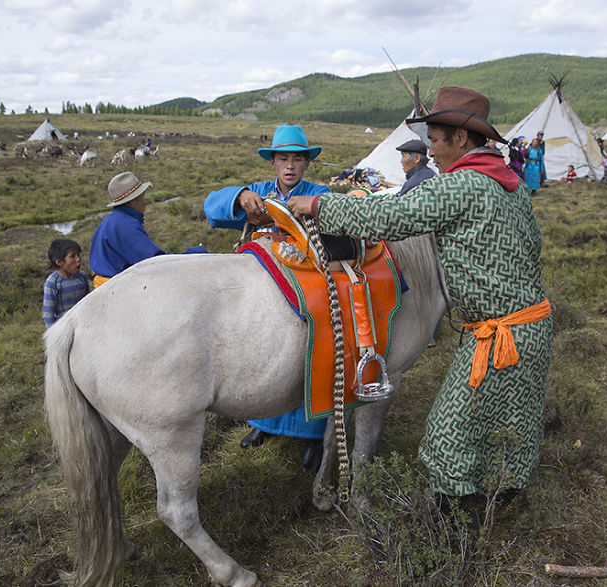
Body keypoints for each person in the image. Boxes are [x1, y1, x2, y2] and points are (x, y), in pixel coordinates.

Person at [288, 86, 553, 507]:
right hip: (533, 326)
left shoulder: (461, 185)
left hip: (500, 336)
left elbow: (388, 216)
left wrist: (320, 206)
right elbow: (534, 246)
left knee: (447, 438)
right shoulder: (513, 186)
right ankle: (498, 505)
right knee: (507, 425)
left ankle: (452, 531)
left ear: (460, 139)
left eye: (433, 141)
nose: (430, 152)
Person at [204, 124, 329, 472]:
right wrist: (240, 196)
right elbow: (212, 207)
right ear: (273, 163)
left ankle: (313, 434)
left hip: (305, 281)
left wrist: (311, 210)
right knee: (258, 352)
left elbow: (334, 216)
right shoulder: (258, 192)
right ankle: (263, 423)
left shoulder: (319, 192)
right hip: (260, 284)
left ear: (306, 165)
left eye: (297, 160)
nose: (290, 166)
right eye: (283, 159)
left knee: (311, 343)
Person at [90, 171, 206, 288]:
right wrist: (194, 254)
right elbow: (154, 263)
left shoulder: (112, 220)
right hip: (117, 289)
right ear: (131, 201)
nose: (145, 201)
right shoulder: (126, 225)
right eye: (142, 196)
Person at [42, 238, 90, 328]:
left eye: (78, 255)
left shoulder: (82, 276)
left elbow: (88, 300)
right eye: (72, 256)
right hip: (64, 328)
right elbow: (48, 313)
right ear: (59, 262)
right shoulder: (52, 283)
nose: (78, 259)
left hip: (84, 324)